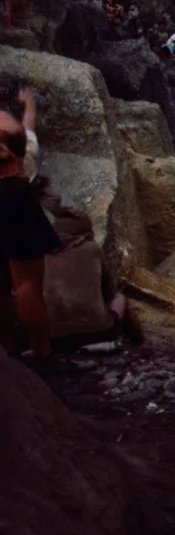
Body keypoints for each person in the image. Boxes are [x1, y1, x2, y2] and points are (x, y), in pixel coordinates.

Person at [0, 87, 63, 363]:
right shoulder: (13, 143)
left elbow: (25, 130)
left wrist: (29, 107)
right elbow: (20, 132)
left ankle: (8, 346)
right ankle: (42, 351)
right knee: (27, 283)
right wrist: (26, 107)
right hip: (12, 199)